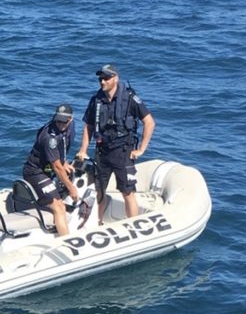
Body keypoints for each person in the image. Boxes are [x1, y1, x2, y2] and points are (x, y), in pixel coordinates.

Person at [74, 64, 155, 221]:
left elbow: (149, 122)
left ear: (115, 79)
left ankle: (134, 224)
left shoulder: (130, 98)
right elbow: (88, 127)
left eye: (106, 78)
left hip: (123, 151)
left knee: (127, 192)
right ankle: (97, 223)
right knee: (100, 191)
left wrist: (141, 149)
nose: (102, 82)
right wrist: (83, 149)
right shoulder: (96, 100)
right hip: (102, 151)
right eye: (100, 79)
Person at [22, 103, 79, 236]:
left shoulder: (71, 126)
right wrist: (71, 188)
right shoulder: (49, 138)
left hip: (49, 169)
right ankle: (66, 241)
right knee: (60, 207)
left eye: (64, 122)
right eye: (57, 120)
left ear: (71, 119)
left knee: (68, 176)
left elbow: (64, 147)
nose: (60, 124)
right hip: (35, 172)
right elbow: (57, 167)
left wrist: (63, 162)